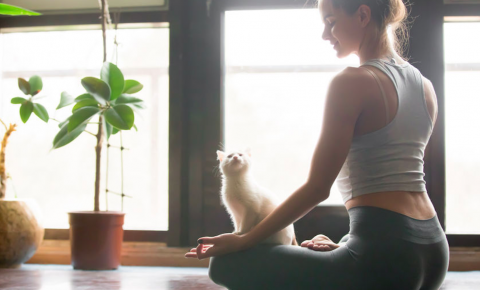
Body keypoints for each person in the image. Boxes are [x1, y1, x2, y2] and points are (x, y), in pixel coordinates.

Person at [185, 0, 449, 289]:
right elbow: (393, 182)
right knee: (341, 245)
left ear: (362, 14)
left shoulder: (352, 81)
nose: (325, 34)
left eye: (331, 21)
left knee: (223, 263)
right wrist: (344, 246)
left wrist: (242, 240)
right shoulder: (425, 87)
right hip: (434, 251)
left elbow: (317, 188)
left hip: (385, 257)